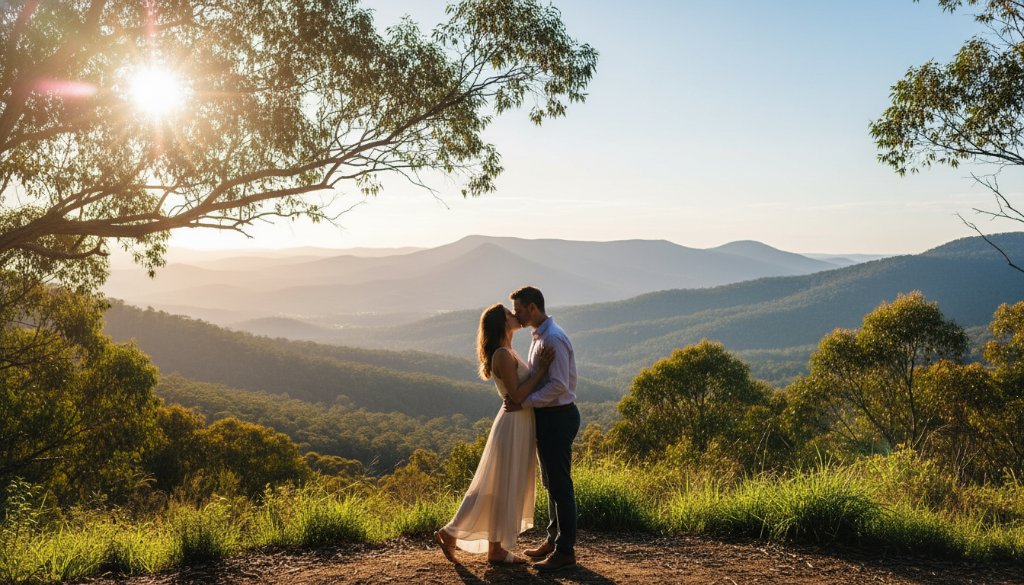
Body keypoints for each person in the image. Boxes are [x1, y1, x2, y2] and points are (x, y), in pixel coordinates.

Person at [434, 303, 555, 564]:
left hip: (519, 422)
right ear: (502, 323)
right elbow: (518, 395)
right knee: (498, 483)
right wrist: (543, 370)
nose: (516, 316)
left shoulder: (507, 350)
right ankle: (471, 538)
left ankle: (483, 543)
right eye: (510, 314)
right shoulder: (502, 354)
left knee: (500, 484)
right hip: (512, 423)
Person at [506, 285, 580, 572]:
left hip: (558, 417)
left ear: (533, 307)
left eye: (519, 310)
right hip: (549, 417)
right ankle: (553, 540)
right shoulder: (539, 337)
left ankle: (565, 551)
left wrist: (526, 402)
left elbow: (559, 385)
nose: (517, 316)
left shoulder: (553, 339)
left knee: (561, 486)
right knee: (551, 484)